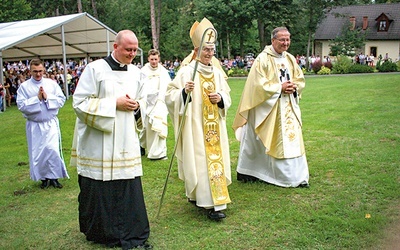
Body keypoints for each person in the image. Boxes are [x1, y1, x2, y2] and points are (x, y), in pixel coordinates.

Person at [70, 30, 152, 249]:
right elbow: (79, 103)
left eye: (135, 50)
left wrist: (137, 107)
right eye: (128, 49)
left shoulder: (137, 73)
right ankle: (103, 233)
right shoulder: (95, 69)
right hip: (100, 143)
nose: (132, 54)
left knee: (127, 187)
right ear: (115, 47)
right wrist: (113, 104)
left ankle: (131, 232)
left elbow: (144, 101)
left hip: (126, 140)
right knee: (100, 188)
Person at [165, 17, 232, 221]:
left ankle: (217, 204)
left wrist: (221, 99)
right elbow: (169, 96)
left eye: (212, 50)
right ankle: (199, 196)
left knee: (212, 161)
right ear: (196, 50)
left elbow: (227, 95)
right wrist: (184, 93)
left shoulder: (217, 73)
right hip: (195, 128)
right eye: (205, 50)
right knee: (199, 161)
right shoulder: (186, 72)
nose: (209, 54)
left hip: (215, 130)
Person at [233, 27, 309, 188]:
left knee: (290, 138)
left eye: (288, 39)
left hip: (288, 105)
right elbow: (257, 85)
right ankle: (250, 171)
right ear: (273, 40)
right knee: (259, 140)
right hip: (266, 107)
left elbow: (299, 79)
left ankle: (295, 176)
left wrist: (293, 87)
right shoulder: (263, 59)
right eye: (282, 40)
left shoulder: (289, 59)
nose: (286, 43)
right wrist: (279, 88)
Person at [16, 58, 69, 189]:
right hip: (35, 125)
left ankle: (54, 177)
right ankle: (44, 178)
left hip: (50, 123)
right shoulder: (24, 87)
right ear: (30, 71)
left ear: (44, 70)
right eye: (35, 71)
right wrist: (36, 99)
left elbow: (61, 100)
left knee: (52, 149)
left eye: (40, 71)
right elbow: (21, 105)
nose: (38, 74)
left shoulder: (51, 84)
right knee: (39, 152)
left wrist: (47, 97)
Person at [139, 49, 171, 160]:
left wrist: (161, 97)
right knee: (146, 127)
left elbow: (168, 86)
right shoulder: (143, 71)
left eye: (156, 59)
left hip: (160, 103)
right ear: (148, 59)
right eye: (152, 59)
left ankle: (158, 153)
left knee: (159, 125)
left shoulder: (163, 71)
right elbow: (141, 88)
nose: (154, 62)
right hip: (148, 103)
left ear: (159, 59)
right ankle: (142, 145)